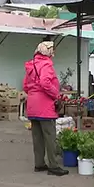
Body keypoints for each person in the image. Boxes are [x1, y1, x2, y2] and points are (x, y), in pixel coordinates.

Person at [23, 41, 68, 177]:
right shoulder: (46, 64)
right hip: (45, 105)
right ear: (47, 52)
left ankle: (39, 163)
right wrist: (56, 94)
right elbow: (45, 82)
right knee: (50, 136)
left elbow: (25, 85)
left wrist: (33, 92)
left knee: (37, 137)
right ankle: (53, 166)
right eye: (52, 50)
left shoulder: (32, 65)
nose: (53, 53)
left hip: (32, 105)